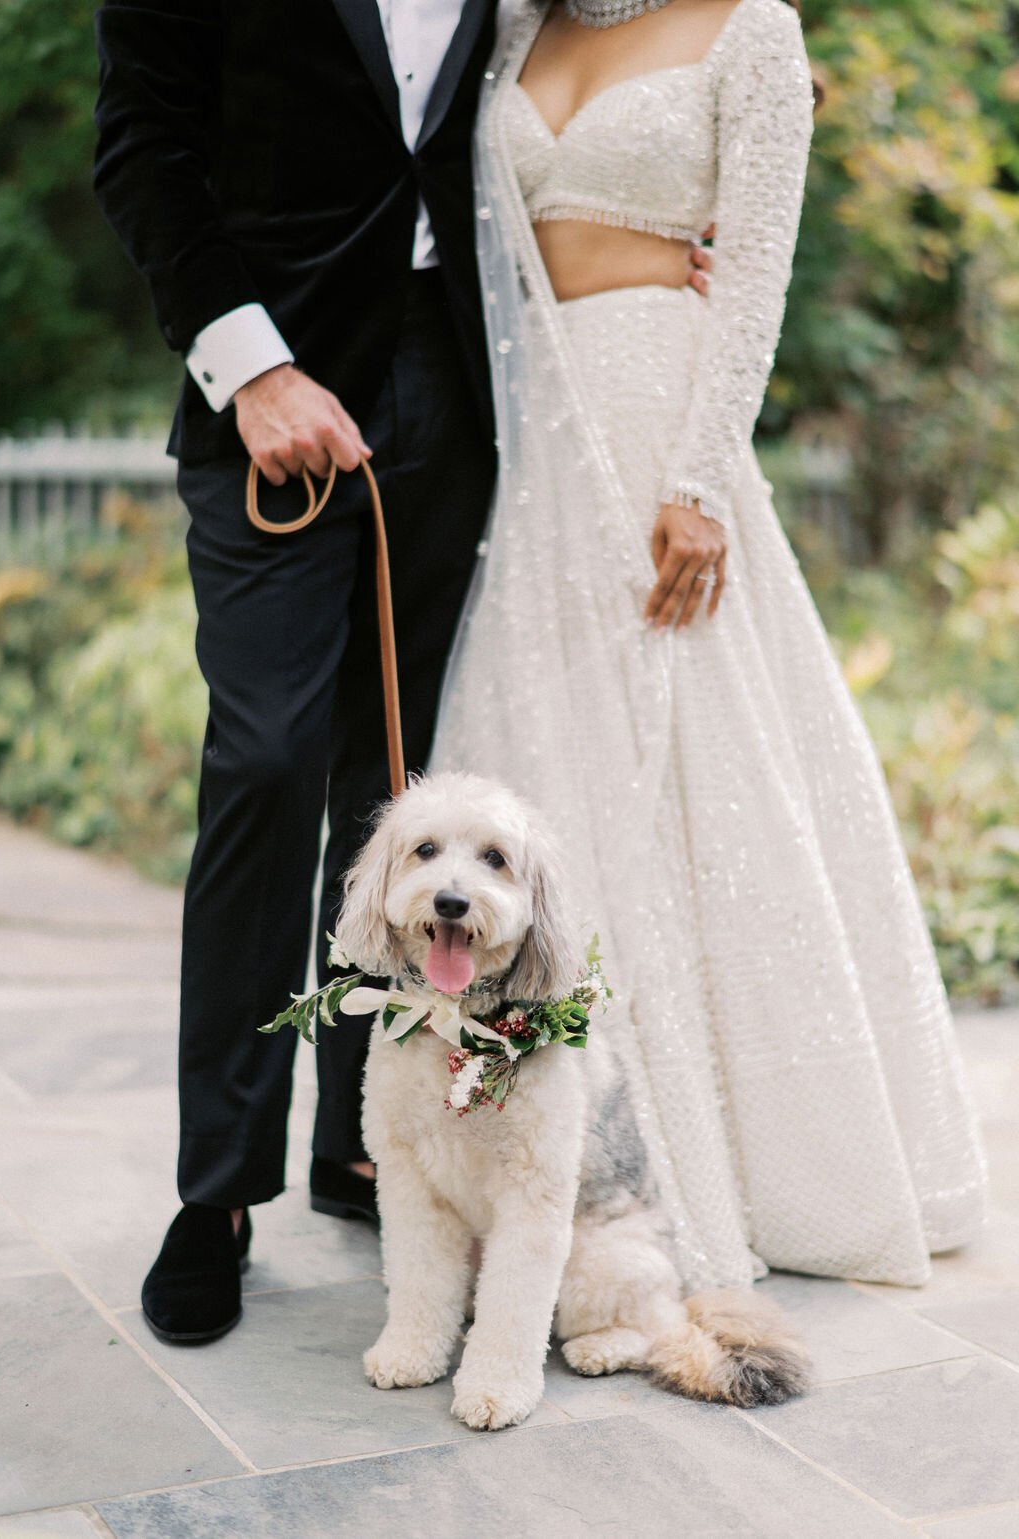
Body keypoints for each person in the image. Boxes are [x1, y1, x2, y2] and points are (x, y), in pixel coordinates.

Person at [431, 0, 988, 1293]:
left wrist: (700, 480)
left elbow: (754, 273)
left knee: (705, 765)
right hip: (527, 438)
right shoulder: (509, 29)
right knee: (540, 769)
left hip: (656, 418)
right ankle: (527, 1160)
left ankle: (736, 1166)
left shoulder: (752, 28)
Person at [91, 0, 503, 1343]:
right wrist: (251, 368)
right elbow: (142, 143)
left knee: (399, 786)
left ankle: (362, 1141)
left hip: (456, 384)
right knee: (265, 767)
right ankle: (215, 1193)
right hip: (270, 404)